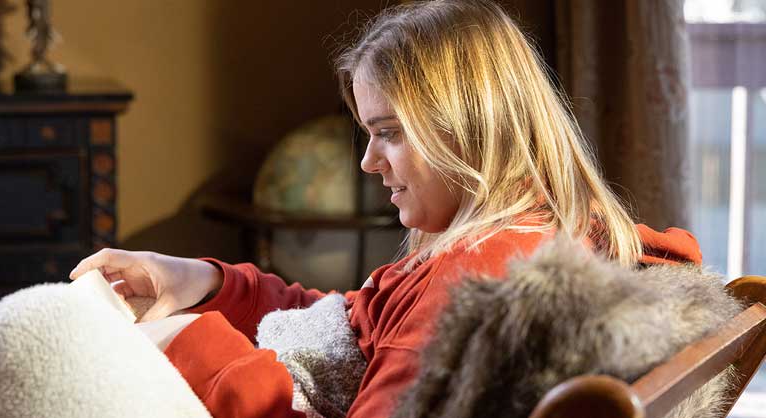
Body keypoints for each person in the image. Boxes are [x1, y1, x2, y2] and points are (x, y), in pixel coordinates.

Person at [69, 1, 703, 417]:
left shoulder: (473, 282)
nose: (370, 162)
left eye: (391, 132)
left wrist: (186, 345)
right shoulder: (543, 234)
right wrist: (204, 283)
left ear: (468, 127)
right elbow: (351, 325)